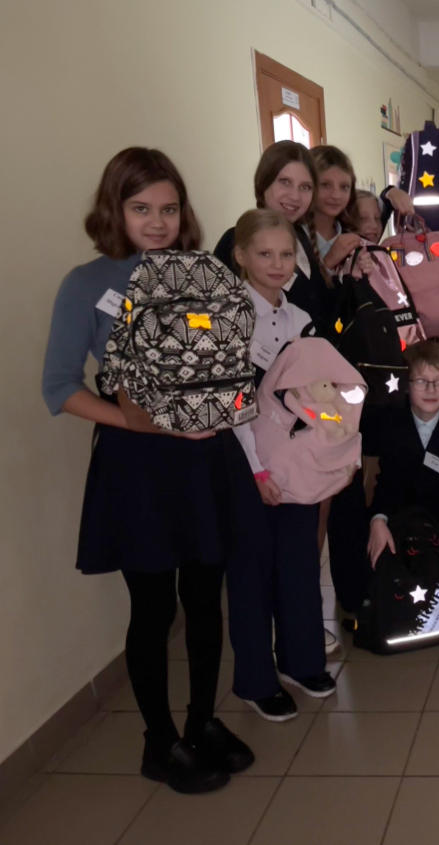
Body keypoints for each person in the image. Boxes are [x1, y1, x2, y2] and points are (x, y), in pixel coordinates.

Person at [41, 147, 254, 794]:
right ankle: (159, 742)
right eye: (141, 209)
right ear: (115, 209)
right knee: (154, 607)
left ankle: (201, 721)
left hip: (204, 457)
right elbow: (58, 387)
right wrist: (136, 423)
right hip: (138, 466)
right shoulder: (86, 283)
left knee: (206, 599)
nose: (158, 223)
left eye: (169, 209)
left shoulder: (203, 272)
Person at [228, 209, 337, 721]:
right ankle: (255, 678)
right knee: (251, 573)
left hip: (296, 463)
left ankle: (301, 660)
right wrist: (256, 470)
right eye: (265, 253)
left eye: (286, 254)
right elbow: (232, 404)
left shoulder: (299, 319)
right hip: (246, 464)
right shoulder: (226, 318)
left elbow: (315, 393)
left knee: (298, 563)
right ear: (240, 255)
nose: (277, 263)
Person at [367, 341, 439, 585]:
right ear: (406, 385)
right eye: (421, 381)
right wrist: (378, 520)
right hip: (403, 517)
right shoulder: (393, 422)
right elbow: (388, 481)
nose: (431, 389)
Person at [213, 141, 335, 333]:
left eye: (305, 187)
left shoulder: (302, 237)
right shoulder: (236, 239)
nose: (295, 196)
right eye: (285, 182)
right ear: (264, 182)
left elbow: (319, 306)